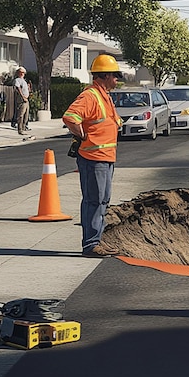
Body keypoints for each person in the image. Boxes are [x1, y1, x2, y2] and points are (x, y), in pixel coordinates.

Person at [63, 54, 123, 258]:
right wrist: (82, 135)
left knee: (103, 200)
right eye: (115, 76)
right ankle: (90, 245)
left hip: (105, 157)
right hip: (94, 158)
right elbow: (70, 117)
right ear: (105, 75)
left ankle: (97, 240)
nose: (117, 80)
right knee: (94, 200)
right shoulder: (90, 96)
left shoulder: (104, 95)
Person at [13, 67, 30, 135]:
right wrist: (23, 96)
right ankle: (20, 129)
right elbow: (18, 88)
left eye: (23, 72)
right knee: (21, 115)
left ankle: (24, 127)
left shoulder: (24, 81)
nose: (23, 74)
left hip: (26, 99)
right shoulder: (17, 80)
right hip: (22, 100)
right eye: (21, 72)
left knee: (26, 115)